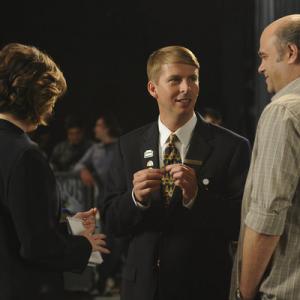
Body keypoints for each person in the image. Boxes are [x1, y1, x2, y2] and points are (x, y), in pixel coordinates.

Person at [102, 45, 251, 300]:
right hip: (143, 289)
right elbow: (112, 221)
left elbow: (242, 224)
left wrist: (196, 197)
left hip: (204, 288)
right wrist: (135, 199)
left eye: (192, 79)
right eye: (175, 80)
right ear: (153, 89)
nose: (186, 88)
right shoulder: (128, 145)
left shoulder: (233, 146)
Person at [0, 43, 109, 300]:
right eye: (53, 98)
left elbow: (14, 226)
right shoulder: (26, 155)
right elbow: (36, 246)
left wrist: (70, 227)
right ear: (39, 96)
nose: (53, 108)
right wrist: (84, 245)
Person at [230, 15, 300, 300]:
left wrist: (242, 293)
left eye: (264, 57)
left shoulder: (283, 112)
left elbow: (267, 215)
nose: (260, 68)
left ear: (291, 53)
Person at [74, 113, 125, 296]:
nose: (95, 129)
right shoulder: (95, 149)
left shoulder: (122, 145)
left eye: (98, 125)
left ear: (107, 127)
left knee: (118, 241)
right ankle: (104, 280)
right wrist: (85, 171)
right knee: (106, 241)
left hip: (122, 201)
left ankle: (115, 278)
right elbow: (78, 166)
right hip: (102, 202)